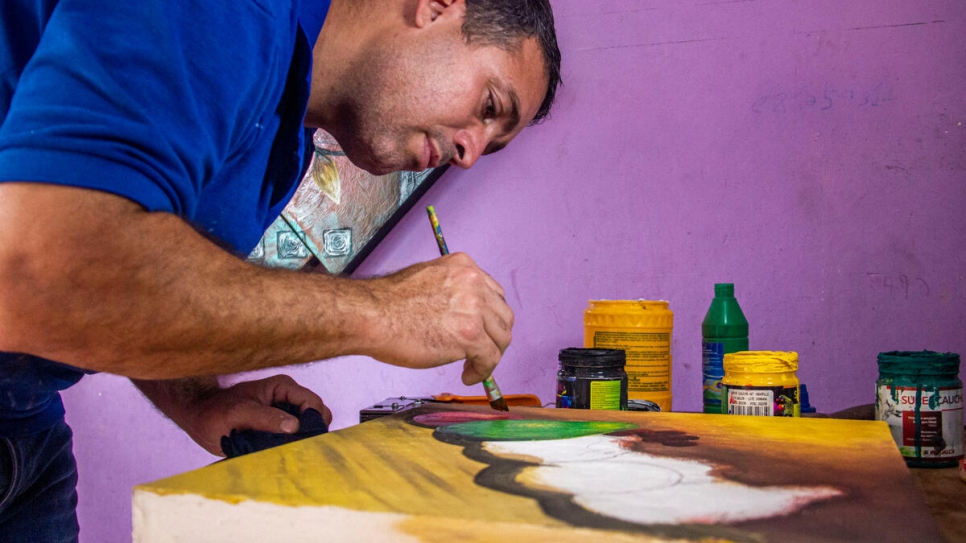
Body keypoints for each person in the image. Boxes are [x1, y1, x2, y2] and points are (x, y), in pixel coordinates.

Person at [0, 0, 561, 540]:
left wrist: (194, 399)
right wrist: (385, 314)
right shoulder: (230, 10)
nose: (470, 151)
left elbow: (126, 274)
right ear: (436, 6)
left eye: (491, 146)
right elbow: (37, 271)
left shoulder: (286, 142)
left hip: (30, 429)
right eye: (489, 106)